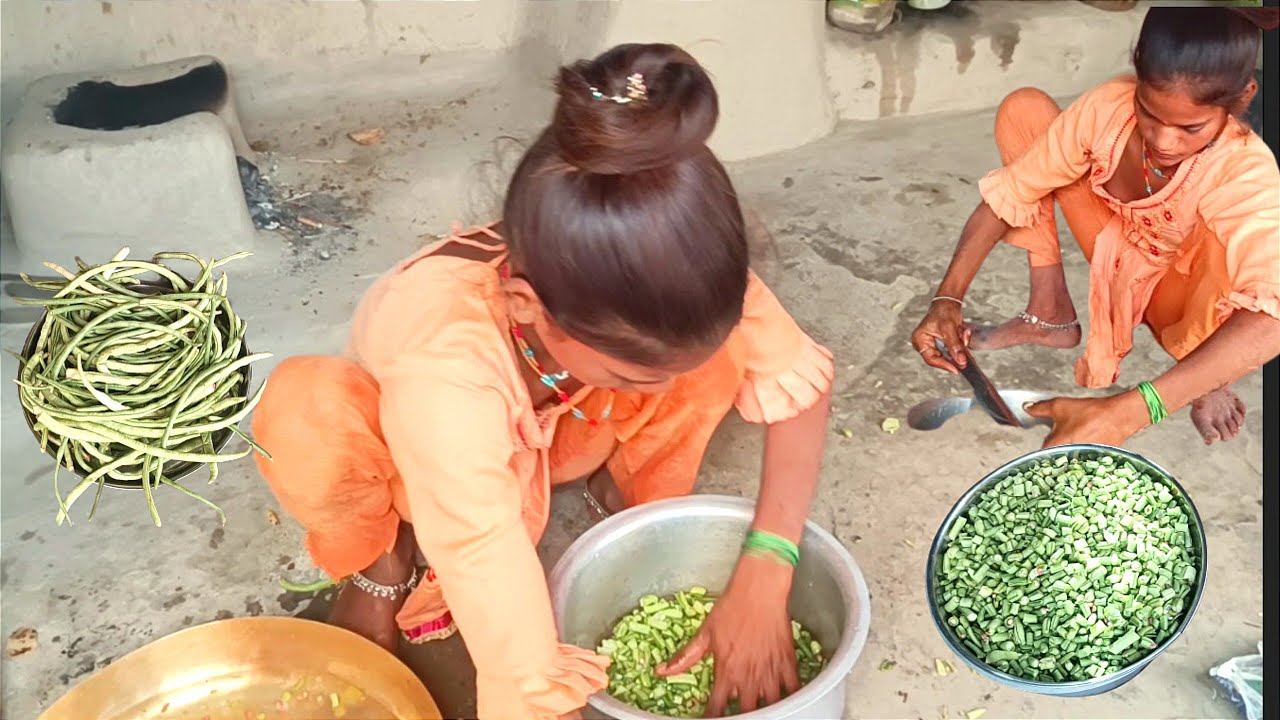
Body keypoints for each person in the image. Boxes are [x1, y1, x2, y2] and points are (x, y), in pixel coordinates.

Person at [251, 44, 834, 719]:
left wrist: (768, 567)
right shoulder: (446, 371)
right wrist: (532, 683)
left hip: (562, 422)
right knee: (303, 419)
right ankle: (383, 564)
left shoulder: (674, 267)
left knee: (718, 358)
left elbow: (801, 387)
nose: (654, 387)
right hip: (423, 460)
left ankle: (629, 506)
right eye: (628, 371)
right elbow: (481, 546)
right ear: (527, 306)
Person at [910, 6, 1280, 448]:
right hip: (1118, 249)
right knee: (1025, 111)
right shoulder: (1110, 107)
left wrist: (1131, 411)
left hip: (1183, 297)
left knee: (1245, 264)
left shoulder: (1246, 172)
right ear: (1137, 85)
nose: (1163, 142)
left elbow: (1272, 318)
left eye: (1190, 127)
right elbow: (1011, 192)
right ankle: (1049, 312)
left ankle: (1204, 375)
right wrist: (947, 299)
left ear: (1243, 97)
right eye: (1149, 113)